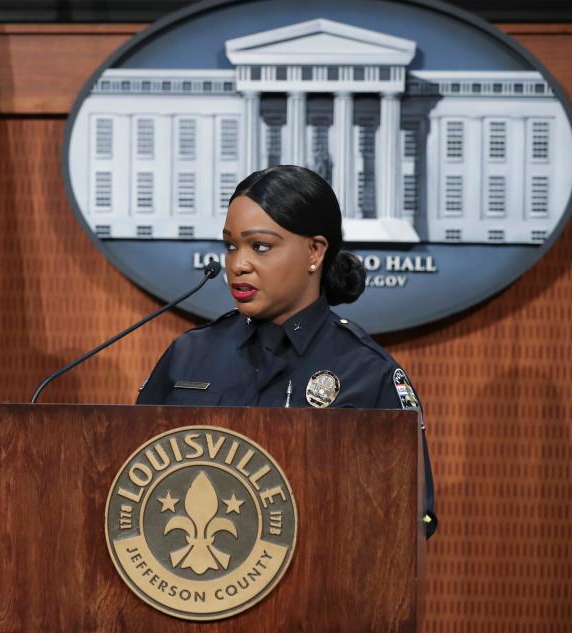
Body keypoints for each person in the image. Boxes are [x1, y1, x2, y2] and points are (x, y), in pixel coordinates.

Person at [136, 164, 437, 538]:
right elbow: (135, 485)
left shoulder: (366, 372)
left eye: (260, 246)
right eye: (231, 245)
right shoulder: (188, 355)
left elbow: (411, 519)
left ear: (314, 251)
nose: (238, 264)